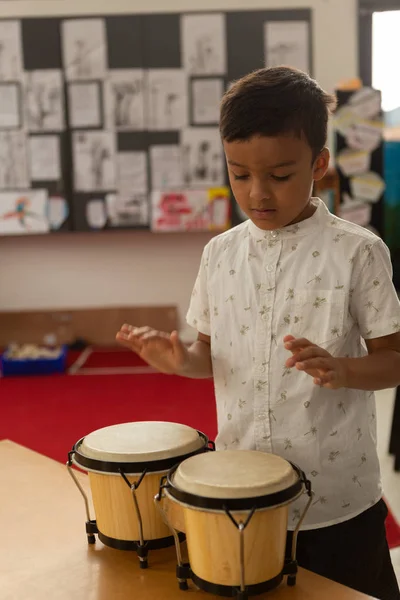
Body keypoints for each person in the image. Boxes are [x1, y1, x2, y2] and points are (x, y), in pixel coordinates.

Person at [117, 67, 400, 600]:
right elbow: (208, 354)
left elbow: (394, 359)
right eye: (239, 174)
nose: (257, 192)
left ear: (319, 163)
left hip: (336, 502)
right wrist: (178, 358)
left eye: (280, 174)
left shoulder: (359, 252)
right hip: (240, 492)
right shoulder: (219, 254)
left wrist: (344, 369)